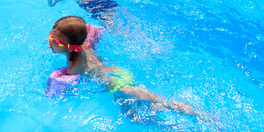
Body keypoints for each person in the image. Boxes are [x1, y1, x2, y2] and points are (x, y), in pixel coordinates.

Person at [47, 16, 195, 116]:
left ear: (69, 46)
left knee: (158, 107)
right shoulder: (82, 45)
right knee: (154, 106)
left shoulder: (74, 68)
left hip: (119, 87)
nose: (49, 41)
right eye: (50, 35)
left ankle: (191, 111)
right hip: (119, 72)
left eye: (54, 41)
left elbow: (63, 89)